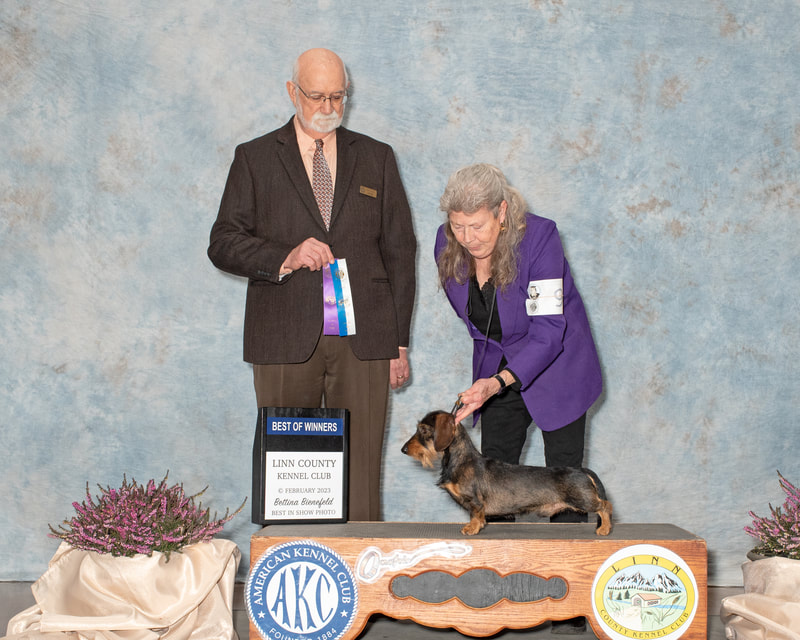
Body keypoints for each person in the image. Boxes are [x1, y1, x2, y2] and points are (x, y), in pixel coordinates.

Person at [208, 48, 416, 522]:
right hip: (282, 335)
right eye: (317, 95)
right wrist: (284, 256)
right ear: (292, 92)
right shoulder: (254, 158)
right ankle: (291, 571)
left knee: (361, 468)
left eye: (338, 96)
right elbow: (222, 242)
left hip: (365, 339)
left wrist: (398, 342)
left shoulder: (378, 158)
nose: (328, 106)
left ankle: (361, 577)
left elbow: (401, 255)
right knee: (288, 464)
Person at [435, 163, 601, 633]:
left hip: (559, 367)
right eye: (458, 225)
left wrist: (500, 380)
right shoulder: (446, 244)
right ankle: (498, 595)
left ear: (502, 212)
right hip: (498, 373)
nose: (467, 237)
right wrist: (490, 382)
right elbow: (478, 323)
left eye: (478, 225)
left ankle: (566, 609)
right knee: (491, 479)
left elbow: (549, 331)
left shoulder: (541, 238)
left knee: (564, 484)